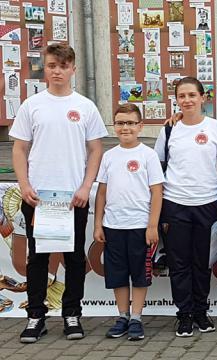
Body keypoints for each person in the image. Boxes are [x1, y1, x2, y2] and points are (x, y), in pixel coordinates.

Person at [10, 44, 108, 343]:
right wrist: (24, 184)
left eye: (63, 66)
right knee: (38, 259)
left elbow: (95, 150)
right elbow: (19, 148)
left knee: (74, 258)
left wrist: (85, 186)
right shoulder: (32, 105)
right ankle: (36, 316)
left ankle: (71, 314)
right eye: (52, 65)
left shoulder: (85, 106)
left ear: (73, 69)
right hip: (38, 197)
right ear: (46, 69)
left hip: (72, 198)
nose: (57, 71)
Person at [153, 77, 217, 337]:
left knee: (202, 263)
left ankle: (201, 310)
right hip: (175, 204)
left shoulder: (216, 128)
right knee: (179, 264)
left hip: (208, 204)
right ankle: (184, 314)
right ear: (176, 100)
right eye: (182, 96)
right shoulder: (168, 130)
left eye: (192, 95)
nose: (187, 100)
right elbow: (157, 168)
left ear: (203, 98)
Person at [93, 104, 164, 341]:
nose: (126, 127)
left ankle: (136, 317)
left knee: (139, 274)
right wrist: (98, 224)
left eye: (131, 123)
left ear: (140, 126)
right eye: (121, 123)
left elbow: (157, 192)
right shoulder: (108, 156)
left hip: (140, 227)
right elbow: (102, 192)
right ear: (114, 126)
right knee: (118, 274)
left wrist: (152, 225)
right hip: (114, 226)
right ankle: (122, 316)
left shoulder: (148, 155)